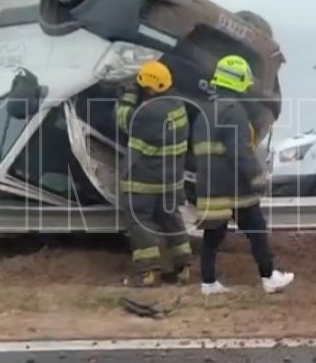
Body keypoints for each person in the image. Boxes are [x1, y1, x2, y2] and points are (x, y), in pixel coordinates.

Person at [192, 55, 295, 295]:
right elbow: (239, 149)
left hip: (209, 186)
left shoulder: (204, 111)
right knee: (257, 229)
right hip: (234, 186)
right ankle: (269, 276)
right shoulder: (234, 110)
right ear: (239, 81)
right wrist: (256, 177)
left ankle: (208, 283)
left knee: (213, 234)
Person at [116, 60, 194, 287]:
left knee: (140, 221)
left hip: (143, 180)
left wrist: (129, 94)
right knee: (170, 220)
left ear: (149, 88)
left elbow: (122, 118)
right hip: (170, 180)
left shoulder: (146, 112)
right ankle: (183, 267)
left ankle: (147, 272)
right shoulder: (178, 106)